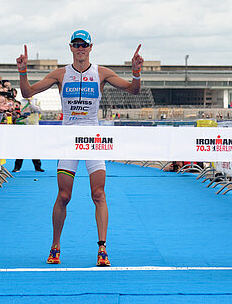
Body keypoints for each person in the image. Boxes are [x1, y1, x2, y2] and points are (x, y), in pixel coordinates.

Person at [17, 30, 143, 268]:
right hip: (68, 137)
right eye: (76, 44)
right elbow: (27, 93)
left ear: (90, 47)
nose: (80, 48)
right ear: (71, 47)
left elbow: (133, 90)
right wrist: (23, 70)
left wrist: (136, 72)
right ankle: (55, 246)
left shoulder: (102, 73)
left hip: (92, 137)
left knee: (99, 194)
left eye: (84, 44)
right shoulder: (61, 73)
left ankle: (102, 248)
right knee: (64, 196)